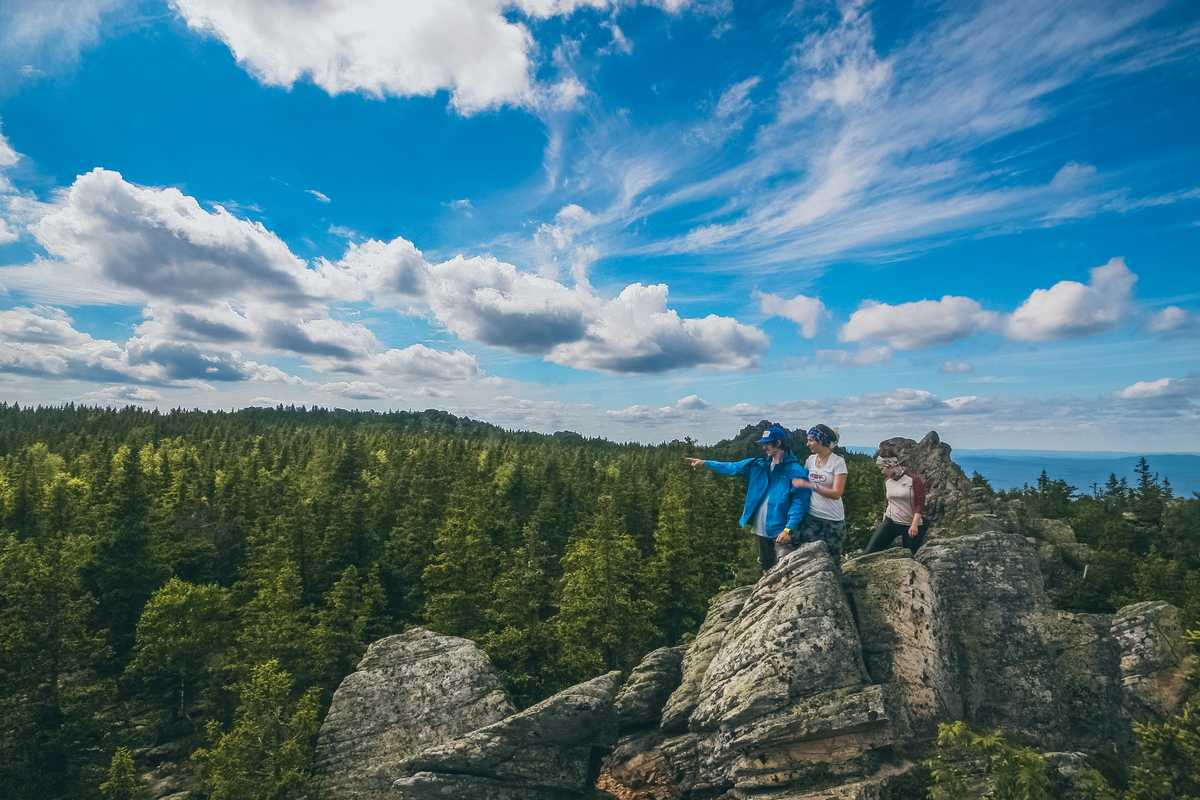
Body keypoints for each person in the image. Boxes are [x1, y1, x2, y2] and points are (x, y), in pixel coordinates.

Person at [684, 423, 811, 572]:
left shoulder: (795, 470)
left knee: (785, 569)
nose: (764, 447)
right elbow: (732, 467)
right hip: (761, 529)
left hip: (781, 531)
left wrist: (789, 529)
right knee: (767, 568)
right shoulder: (758, 465)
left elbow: (799, 503)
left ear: (778, 443)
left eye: (767, 444)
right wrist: (705, 463)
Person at [790, 424, 848, 563]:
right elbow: (801, 482)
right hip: (811, 517)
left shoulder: (838, 462)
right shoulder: (810, 460)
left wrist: (811, 485)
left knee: (832, 560)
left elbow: (837, 493)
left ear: (821, 440)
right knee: (809, 559)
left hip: (832, 520)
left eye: (811, 440)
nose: (807, 443)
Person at [865, 456, 928, 554]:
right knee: (870, 551)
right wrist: (883, 521)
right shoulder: (887, 481)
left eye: (882, 468)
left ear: (890, 466)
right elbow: (887, 502)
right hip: (891, 521)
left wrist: (914, 525)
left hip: (910, 524)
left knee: (910, 554)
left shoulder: (913, 480)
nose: (881, 472)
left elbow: (919, 504)